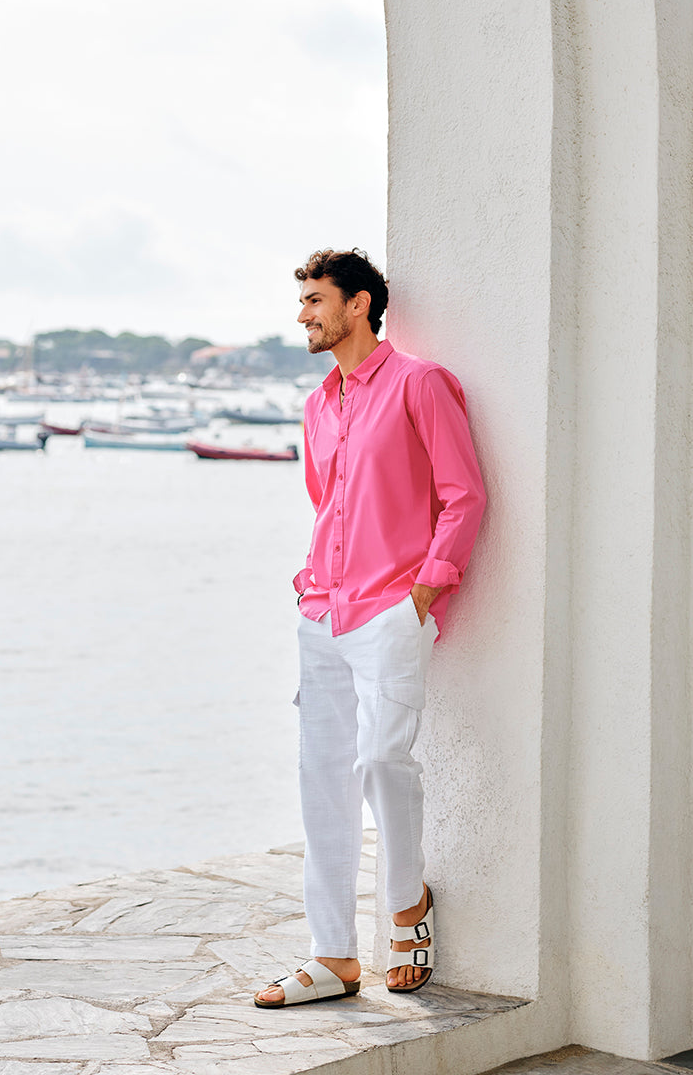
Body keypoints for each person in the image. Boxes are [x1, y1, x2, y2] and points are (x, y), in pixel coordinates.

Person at [254, 248, 486, 1009]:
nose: (304, 314)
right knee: (320, 778)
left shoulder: (422, 385)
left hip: (391, 609)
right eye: (303, 302)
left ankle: (407, 906)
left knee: (382, 760)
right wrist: (308, 586)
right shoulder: (320, 405)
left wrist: (425, 591)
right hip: (322, 610)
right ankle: (332, 956)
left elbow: (464, 497)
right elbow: (328, 507)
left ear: (359, 305)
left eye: (316, 300)